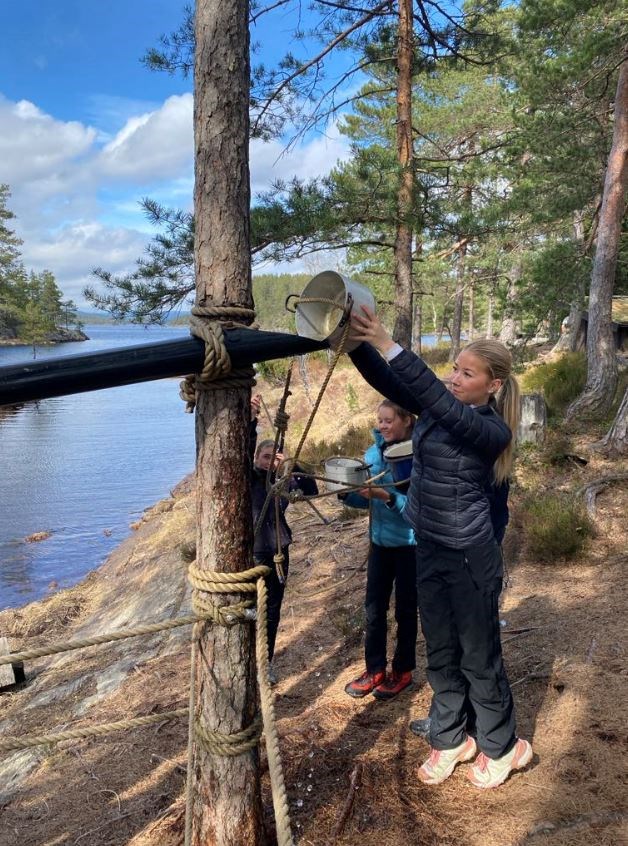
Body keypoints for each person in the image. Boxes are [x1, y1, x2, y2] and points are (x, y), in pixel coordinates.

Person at [348, 307, 533, 790]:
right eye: (454, 369)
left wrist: (388, 342)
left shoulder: (491, 430)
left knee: (479, 656)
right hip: (428, 546)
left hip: (469, 555)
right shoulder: (438, 406)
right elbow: (390, 381)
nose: (454, 379)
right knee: (442, 651)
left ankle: (502, 746)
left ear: (493, 385)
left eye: (467, 373)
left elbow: (434, 398)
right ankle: (451, 738)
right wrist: (352, 343)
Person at [341, 399, 418, 701]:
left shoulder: (419, 454)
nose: (382, 426)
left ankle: (403, 670)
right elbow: (365, 499)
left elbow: (419, 509)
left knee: (406, 611)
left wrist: (387, 497)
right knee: (374, 610)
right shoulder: (372, 454)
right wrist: (347, 493)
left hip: (410, 545)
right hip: (380, 543)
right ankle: (374, 669)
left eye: (389, 420)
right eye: (380, 420)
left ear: (406, 420)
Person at [250, 394, 318, 683]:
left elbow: (311, 490)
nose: (269, 462)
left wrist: (291, 464)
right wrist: (251, 420)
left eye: (273, 458)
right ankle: (249, 661)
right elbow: (243, 449)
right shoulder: (250, 477)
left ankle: (265, 662)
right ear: (257, 458)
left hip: (278, 551)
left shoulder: (283, 479)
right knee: (250, 609)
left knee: (273, 610)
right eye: (265, 457)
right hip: (253, 553)